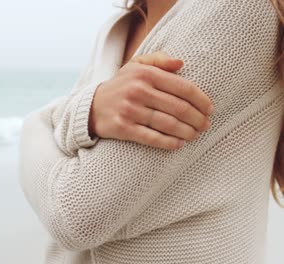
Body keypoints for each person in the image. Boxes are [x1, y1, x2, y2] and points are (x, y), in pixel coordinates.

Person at [18, 0, 284, 263]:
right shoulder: (117, 28)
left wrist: (34, 124)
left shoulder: (235, 9)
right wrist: (88, 112)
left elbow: (74, 214)